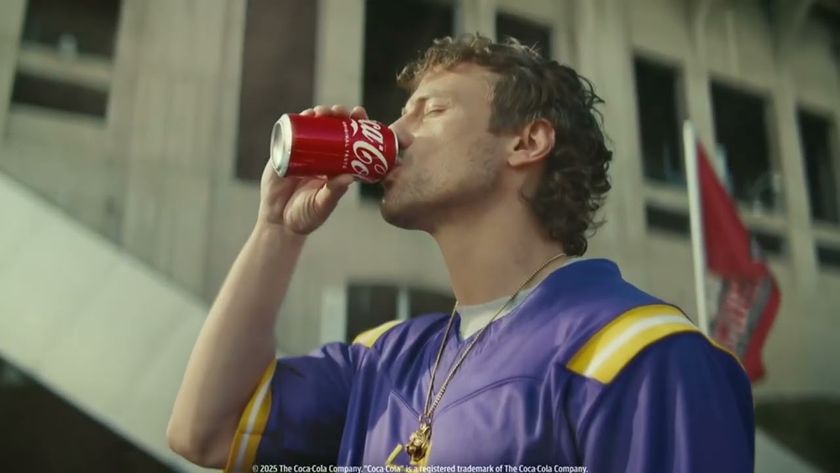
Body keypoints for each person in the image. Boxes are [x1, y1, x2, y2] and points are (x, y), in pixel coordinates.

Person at [167, 34, 754, 472]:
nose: (395, 133)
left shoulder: (639, 354)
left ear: (527, 142)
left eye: (432, 110)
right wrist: (276, 229)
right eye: (403, 113)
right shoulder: (384, 360)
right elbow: (206, 432)